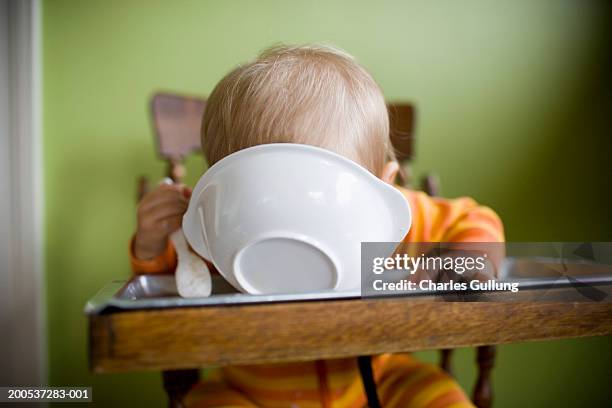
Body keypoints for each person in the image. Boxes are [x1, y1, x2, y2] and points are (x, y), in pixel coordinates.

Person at [130, 44, 504, 408]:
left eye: (317, 197)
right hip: (251, 390)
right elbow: (172, 285)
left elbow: (475, 219)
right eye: (265, 196)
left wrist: (463, 261)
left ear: (383, 189)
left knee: (435, 393)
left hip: (378, 381)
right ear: (221, 196)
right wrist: (153, 245)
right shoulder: (216, 228)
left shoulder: (392, 220)